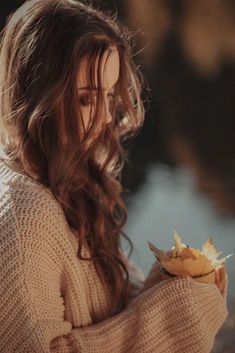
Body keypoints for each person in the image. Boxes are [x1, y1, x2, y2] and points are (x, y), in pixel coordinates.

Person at [0, 0, 228, 352]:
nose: (105, 118)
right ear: (37, 95)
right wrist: (172, 314)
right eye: (86, 99)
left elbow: (105, 312)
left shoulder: (70, 179)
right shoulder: (26, 217)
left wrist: (165, 286)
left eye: (109, 96)